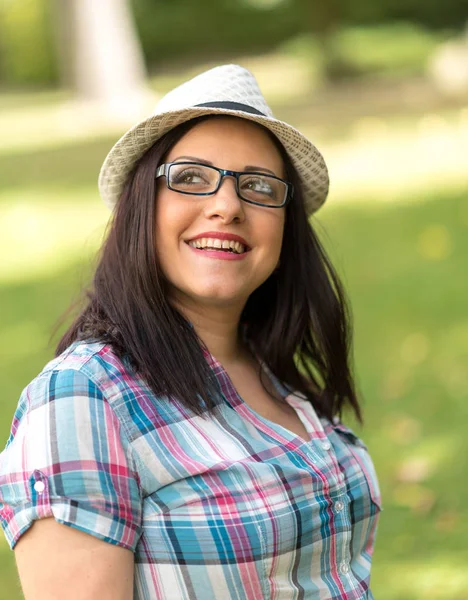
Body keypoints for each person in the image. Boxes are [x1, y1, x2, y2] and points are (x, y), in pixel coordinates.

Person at [0, 64, 382, 599]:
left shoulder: (273, 371)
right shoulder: (83, 398)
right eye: (191, 178)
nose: (227, 205)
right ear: (141, 207)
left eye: (257, 186)